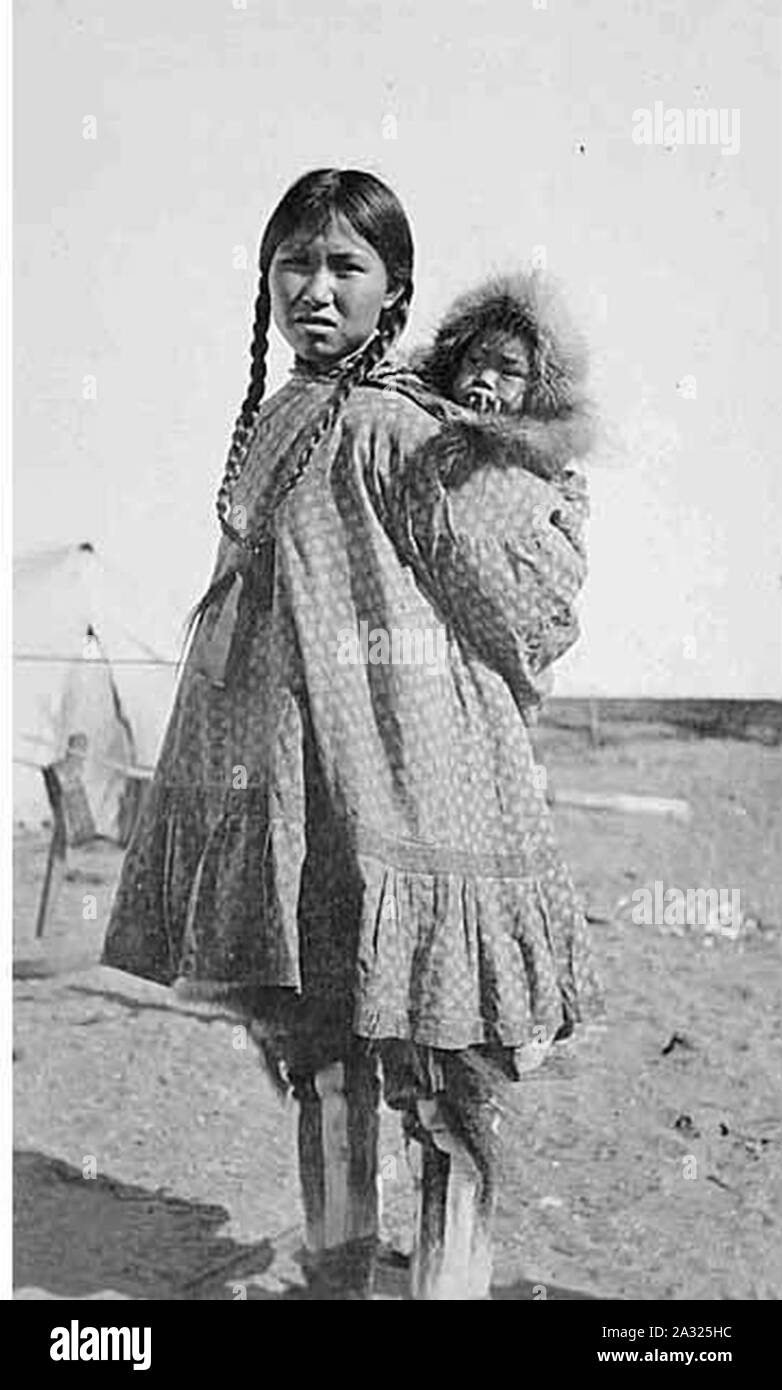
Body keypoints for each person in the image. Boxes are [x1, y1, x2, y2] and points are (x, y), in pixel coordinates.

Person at [102, 168, 603, 1300]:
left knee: (436, 1070)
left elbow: (529, 604)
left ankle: (444, 1287)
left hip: (417, 801)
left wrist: (530, 475)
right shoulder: (278, 418)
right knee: (324, 1057)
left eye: (343, 267)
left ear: (393, 291)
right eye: (293, 263)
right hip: (303, 804)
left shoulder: (405, 431)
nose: (313, 289)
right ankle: (336, 1279)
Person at [400, 269, 595, 720]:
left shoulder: (543, 470)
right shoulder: (410, 415)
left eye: (508, 371)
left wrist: (487, 438)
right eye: (475, 362)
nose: (485, 379)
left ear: (536, 391)